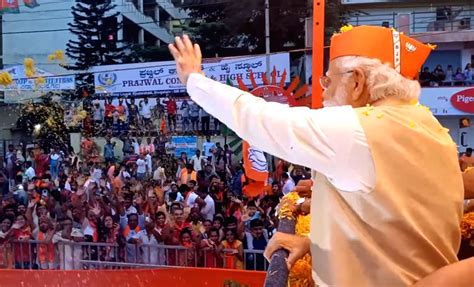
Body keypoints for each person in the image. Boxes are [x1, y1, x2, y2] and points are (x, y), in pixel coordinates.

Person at [169, 28, 464, 286]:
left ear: (357, 82)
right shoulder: (428, 125)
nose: (321, 93)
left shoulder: (360, 130)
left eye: (327, 82)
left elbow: (261, 120)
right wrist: (314, 243)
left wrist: (195, 80)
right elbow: (393, 221)